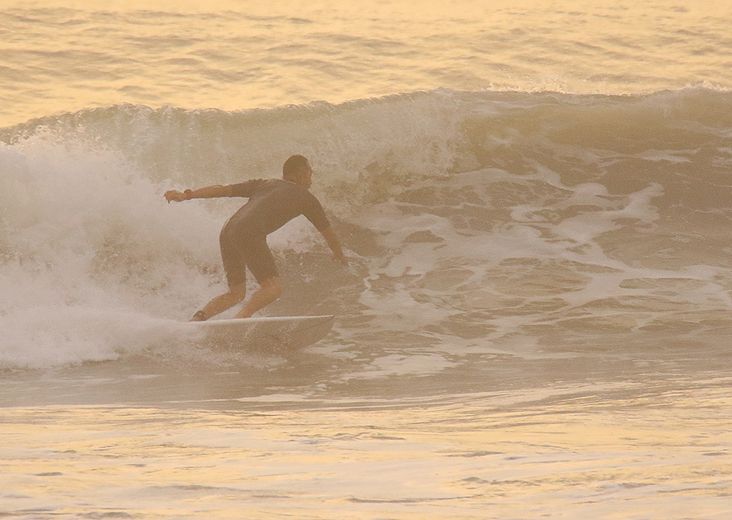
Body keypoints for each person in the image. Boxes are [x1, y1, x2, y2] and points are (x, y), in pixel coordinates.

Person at [164, 155, 347, 321]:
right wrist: (339, 254)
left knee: (236, 293)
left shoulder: (265, 184)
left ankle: (198, 319)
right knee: (273, 288)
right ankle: (240, 320)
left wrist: (187, 195)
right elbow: (328, 233)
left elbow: (223, 189)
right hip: (249, 233)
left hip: (228, 231)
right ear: (300, 174)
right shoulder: (307, 199)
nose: (311, 179)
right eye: (310, 173)